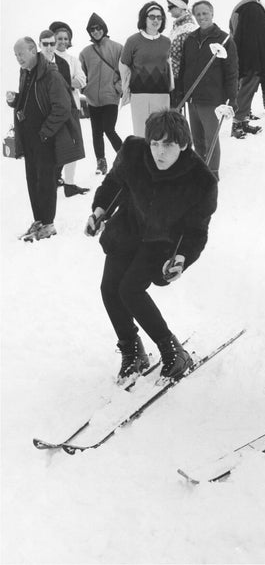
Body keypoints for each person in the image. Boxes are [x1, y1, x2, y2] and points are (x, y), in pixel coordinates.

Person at [84, 109, 218, 385]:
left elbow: (196, 231)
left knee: (130, 290)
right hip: (129, 228)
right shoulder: (134, 151)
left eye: (168, 144)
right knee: (109, 289)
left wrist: (182, 257)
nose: (159, 152)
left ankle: (173, 351)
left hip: (162, 241)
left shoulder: (201, 181)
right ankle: (132, 351)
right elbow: (113, 184)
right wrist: (99, 211)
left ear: (183, 144)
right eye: (154, 143)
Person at [6, 37, 84, 241]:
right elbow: (29, 98)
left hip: (46, 138)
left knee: (46, 181)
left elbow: (63, 107)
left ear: (33, 50)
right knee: (33, 179)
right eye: (15, 55)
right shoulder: (26, 72)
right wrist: (15, 100)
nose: (18, 59)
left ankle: (48, 224)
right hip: (30, 137)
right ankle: (39, 220)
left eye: (20, 54)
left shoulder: (51, 74)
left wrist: (45, 132)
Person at [176, 0, 238, 179]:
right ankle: (200, 170)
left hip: (212, 98)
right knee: (197, 139)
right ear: (194, 16)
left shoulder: (224, 39)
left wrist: (231, 98)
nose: (202, 17)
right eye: (198, 14)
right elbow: (184, 68)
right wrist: (180, 93)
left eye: (205, 13)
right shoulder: (190, 39)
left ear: (212, 13)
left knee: (211, 137)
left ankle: (212, 173)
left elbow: (232, 72)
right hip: (192, 98)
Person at [229, 0, 265, 138]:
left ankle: (242, 121)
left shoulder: (241, 7)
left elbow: (233, 29)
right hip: (253, 55)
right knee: (247, 88)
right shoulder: (255, 8)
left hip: (245, 54)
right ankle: (237, 123)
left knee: (248, 87)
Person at [79, 13, 123, 175]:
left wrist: (117, 88)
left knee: (109, 128)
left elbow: (125, 73)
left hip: (110, 97)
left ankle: (126, 157)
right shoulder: (85, 52)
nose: (96, 31)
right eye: (92, 29)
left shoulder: (117, 48)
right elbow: (81, 75)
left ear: (104, 29)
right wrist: (85, 89)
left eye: (98, 28)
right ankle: (101, 162)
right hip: (93, 99)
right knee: (96, 131)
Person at [49, 20, 90, 196]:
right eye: (59, 38)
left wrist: (63, 82)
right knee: (56, 144)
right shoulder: (46, 57)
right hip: (52, 109)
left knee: (73, 145)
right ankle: (55, 178)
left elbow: (82, 80)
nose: (63, 41)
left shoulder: (73, 60)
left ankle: (70, 184)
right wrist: (68, 82)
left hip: (71, 106)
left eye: (66, 38)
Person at [120, 1, 172, 137]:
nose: (156, 20)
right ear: (144, 18)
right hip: (140, 95)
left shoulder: (167, 42)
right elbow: (124, 65)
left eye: (159, 17)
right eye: (152, 16)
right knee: (141, 135)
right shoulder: (133, 41)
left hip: (162, 95)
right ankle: (142, 159)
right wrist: (126, 88)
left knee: (160, 135)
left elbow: (169, 68)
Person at [166, 0, 198, 108]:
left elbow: (189, 59)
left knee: (174, 115)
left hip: (179, 81)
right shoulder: (178, 27)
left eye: (170, 7)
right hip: (172, 79)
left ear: (180, 7)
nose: (168, 10)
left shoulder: (188, 29)